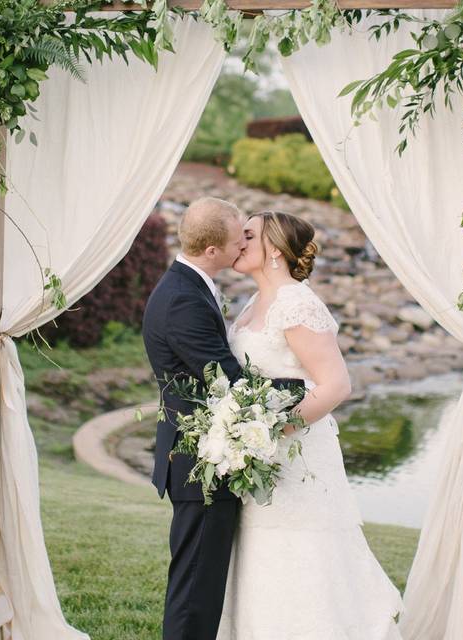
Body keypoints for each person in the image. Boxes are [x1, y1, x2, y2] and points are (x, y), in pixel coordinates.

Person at [216, 211, 404, 639]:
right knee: (260, 553)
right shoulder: (252, 303)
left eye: (248, 235)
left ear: (276, 250)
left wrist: (266, 430)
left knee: (300, 551)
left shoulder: (297, 303)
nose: (237, 241)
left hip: (295, 458)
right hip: (258, 456)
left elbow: (335, 385)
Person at [141, 197, 305, 640]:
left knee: (204, 582)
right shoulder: (181, 300)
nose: (242, 247)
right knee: (196, 588)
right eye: (238, 241)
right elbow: (228, 380)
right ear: (212, 251)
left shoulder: (191, 286)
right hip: (201, 462)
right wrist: (304, 388)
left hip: (210, 456)